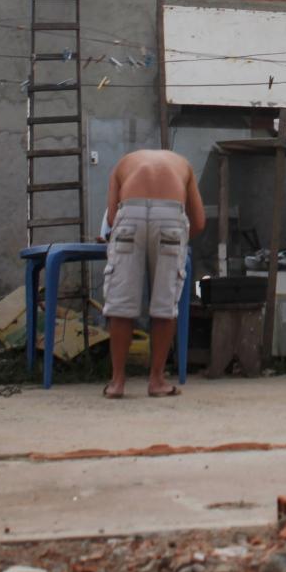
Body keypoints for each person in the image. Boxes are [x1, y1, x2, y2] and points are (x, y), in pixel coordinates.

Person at [101, 148, 206, 399]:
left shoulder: (122, 164)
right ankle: (157, 381)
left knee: (121, 304)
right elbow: (199, 222)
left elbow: (114, 217)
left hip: (130, 217)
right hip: (170, 219)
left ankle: (117, 383)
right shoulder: (184, 164)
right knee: (164, 304)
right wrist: (178, 241)